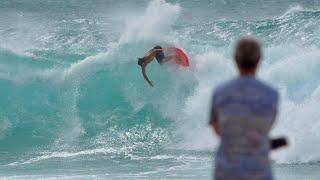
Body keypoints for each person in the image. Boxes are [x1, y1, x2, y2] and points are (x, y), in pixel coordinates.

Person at [209, 37, 279, 180]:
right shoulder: (271, 94)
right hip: (259, 169)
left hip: (227, 169)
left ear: (235, 58)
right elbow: (267, 127)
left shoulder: (220, 92)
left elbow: (217, 130)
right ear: (259, 59)